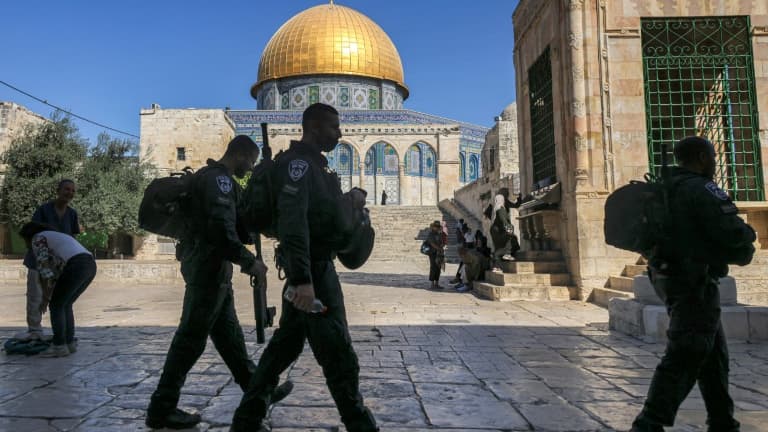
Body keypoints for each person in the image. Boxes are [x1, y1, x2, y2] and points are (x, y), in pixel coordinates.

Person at [231, 103, 379, 432]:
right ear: (313, 127)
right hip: (312, 271)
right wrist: (302, 281)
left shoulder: (315, 167)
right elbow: (294, 223)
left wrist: (348, 202)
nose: (339, 133)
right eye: (333, 127)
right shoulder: (298, 165)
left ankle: (247, 419)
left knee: (284, 347)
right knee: (338, 353)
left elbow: (319, 215)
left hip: (313, 267)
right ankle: (360, 423)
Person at [146, 135, 290, 430]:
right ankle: (162, 407)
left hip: (213, 268)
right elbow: (220, 230)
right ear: (238, 155)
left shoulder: (220, 181)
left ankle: (258, 391)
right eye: (249, 162)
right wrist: (250, 262)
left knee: (230, 339)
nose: (249, 168)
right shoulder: (218, 182)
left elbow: (241, 223)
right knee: (190, 340)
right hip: (207, 268)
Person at [629, 136, 756, 432]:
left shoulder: (665, 189)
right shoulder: (700, 189)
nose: (714, 162)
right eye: (712, 156)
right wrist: (746, 241)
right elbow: (733, 234)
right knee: (687, 351)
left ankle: (723, 420)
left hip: (667, 278)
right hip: (693, 282)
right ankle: (649, 423)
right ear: (701, 157)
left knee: (712, 355)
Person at [16, 179, 81, 342]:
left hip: (58, 263)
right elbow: (34, 234)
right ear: (58, 190)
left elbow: (72, 237)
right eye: (66, 189)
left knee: (61, 299)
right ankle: (35, 330)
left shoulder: (72, 214)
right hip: (36, 258)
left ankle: (64, 335)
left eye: (73, 190)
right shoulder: (43, 210)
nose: (70, 193)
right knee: (35, 296)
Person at [18, 221, 95, 357]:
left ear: (28, 236)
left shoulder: (38, 238)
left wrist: (46, 299)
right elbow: (54, 276)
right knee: (65, 304)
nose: (25, 245)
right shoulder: (55, 236)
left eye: (24, 241)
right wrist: (47, 297)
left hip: (76, 265)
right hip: (90, 265)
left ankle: (59, 345)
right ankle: (69, 343)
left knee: (57, 305)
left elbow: (44, 270)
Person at [489, 194, 519, 270]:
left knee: (498, 248)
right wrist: (510, 229)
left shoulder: (495, 210)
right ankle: (507, 253)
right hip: (498, 232)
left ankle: (496, 267)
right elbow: (504, 221)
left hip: (495, 232)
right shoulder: (501, 209)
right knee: (512, 238)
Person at [425, 220, 445, 290]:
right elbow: (432, 243)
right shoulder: (431, 234)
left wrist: (442, 245)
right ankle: (432, 284)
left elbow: (442, 242)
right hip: (433, 253)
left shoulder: (439, 234)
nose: (436, 228)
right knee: (433, 267)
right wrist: (439, 248)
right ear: (433, 227)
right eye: (435, 227)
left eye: (437, 227)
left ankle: (437, 283)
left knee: (438, 268)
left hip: (439, 253)